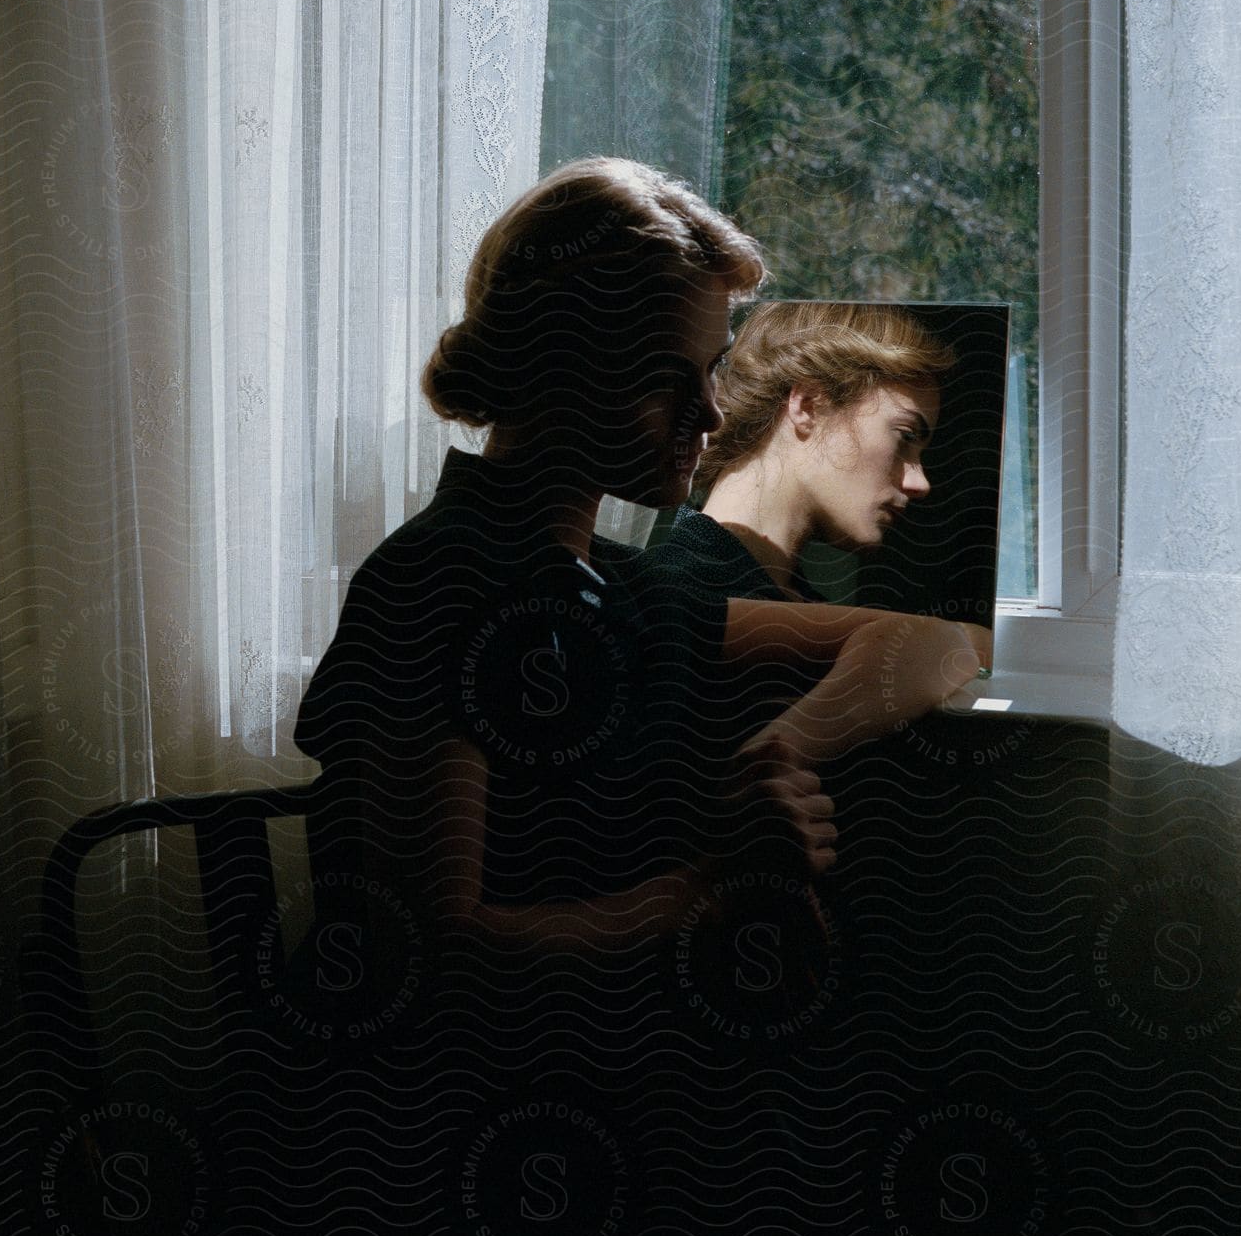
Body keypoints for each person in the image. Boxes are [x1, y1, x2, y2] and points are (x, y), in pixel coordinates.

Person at [294, 165, 988, 964]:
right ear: (557, 363)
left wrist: (778, 753)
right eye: (665, 377)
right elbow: (433, 950)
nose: (711, 412)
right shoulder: (435, 583)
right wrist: (710, 886)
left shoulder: (623, 589)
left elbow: (942, 643)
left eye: (709, 370)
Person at [652, 298, 957, 606]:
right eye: (905, 436)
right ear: (808, 406)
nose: (920, 483)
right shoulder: (666, 604)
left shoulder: (799, 610)